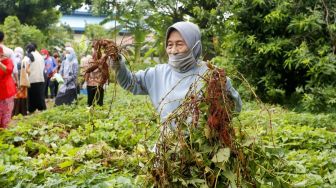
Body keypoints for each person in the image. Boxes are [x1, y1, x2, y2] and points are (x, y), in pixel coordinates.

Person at [112, 21, 242, 123]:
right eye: (169, 45)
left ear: (194, 45)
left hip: (202, 151)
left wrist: (224, 87)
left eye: (180, 44)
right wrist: (117, 61)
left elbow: (233, 109)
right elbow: (129, 82)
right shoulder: (158, 74)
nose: (173, 50)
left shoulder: (211, 75)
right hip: (167, 146)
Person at [26, 43, 46, 113]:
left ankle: (31, 109)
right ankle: (42, 108)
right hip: (40, 77)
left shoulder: (28, 56)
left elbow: (26, 67)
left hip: (31, 78)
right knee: (40, 95)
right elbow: (43, 67)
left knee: (31, 96)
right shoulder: (40, 56)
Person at [0, 46, 16, 128]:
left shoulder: (8, 61)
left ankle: (5, 133)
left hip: (6, 92)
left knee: (6, 114)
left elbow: (9, 70)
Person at [12, 47, 30, 116]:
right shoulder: (24, 60)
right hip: (23, 81)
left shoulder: (13, 59)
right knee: (22, 96)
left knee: (16, 96)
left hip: (15, 81)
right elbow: (27, 71)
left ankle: (15, 112)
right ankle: (22, 112)